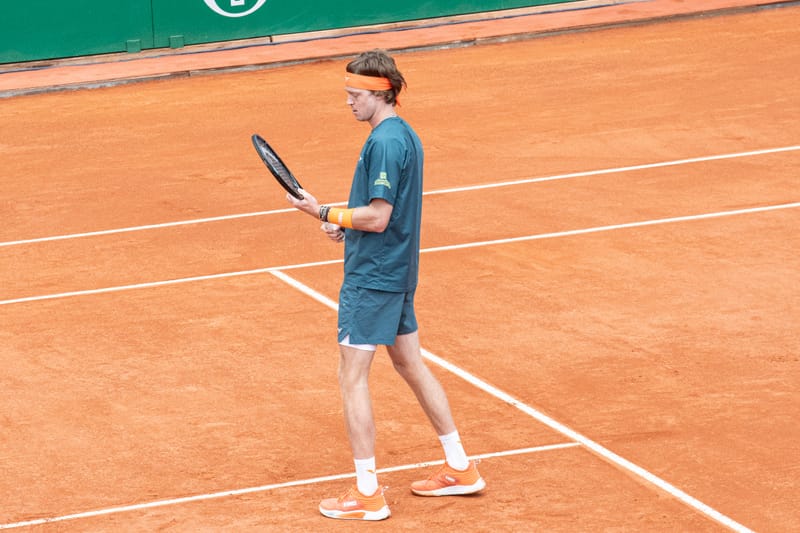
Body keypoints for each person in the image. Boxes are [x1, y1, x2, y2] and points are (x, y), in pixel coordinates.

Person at [286, 49, 485, 521]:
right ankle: (460, 467)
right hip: (396, 271)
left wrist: (322, 211)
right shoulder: (402, 136)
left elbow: (378, 217)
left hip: (373, 278)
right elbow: (375, 218)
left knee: (351, 377)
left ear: (380, 94)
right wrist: (345, 225)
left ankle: (367, 493)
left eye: (355, 96)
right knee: (411, 365)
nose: (348, 103)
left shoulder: (384, 144)